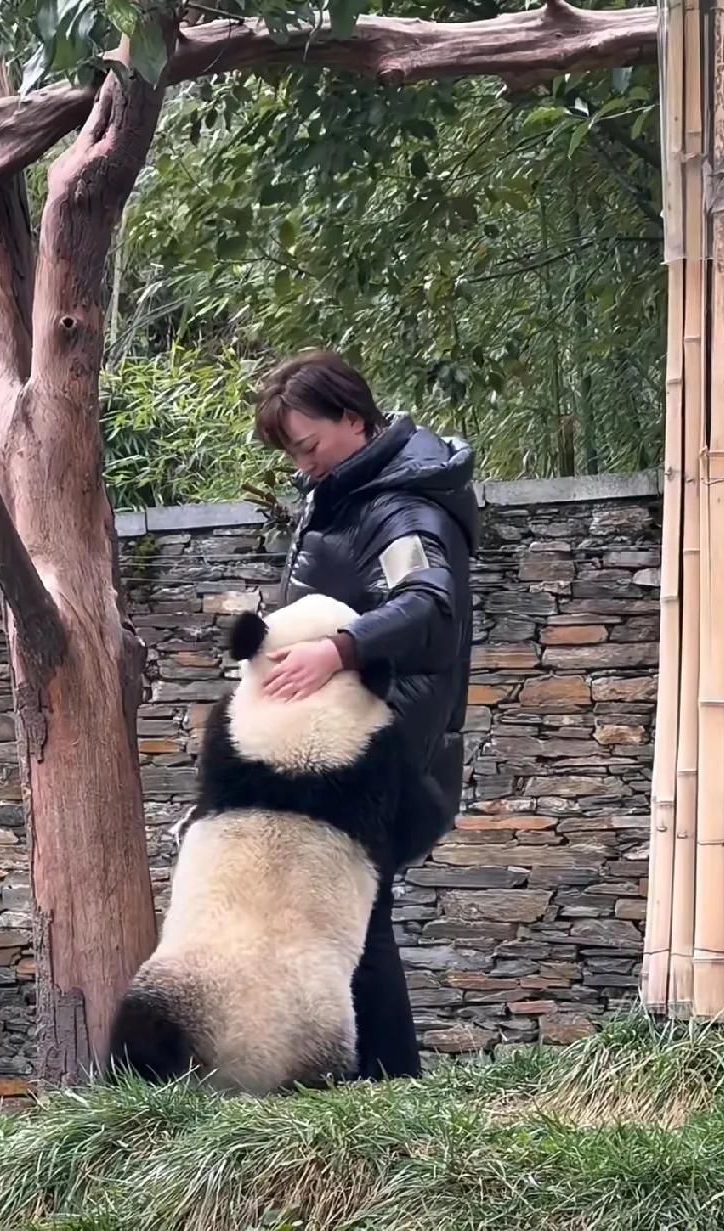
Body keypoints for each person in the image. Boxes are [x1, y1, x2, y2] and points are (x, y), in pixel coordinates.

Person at [253, 349, 479, 1081]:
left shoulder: (402, 505)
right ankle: (370, 1090)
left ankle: (382, 1091)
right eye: (291, 452)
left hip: (388, 751)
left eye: (307, 445)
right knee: (345, 916)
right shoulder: (351, 490)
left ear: (353, 418)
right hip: (354, 745)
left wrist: (337, 650)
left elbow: (428, 606)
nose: (301, 465)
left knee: (355, 919)